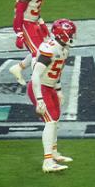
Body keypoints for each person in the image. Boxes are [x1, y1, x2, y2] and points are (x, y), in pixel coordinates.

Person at [28, 18, 77, 172]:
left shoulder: (63, 49)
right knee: (50, 122)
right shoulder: (50, 49)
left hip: (50, 87)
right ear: (62, 35)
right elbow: (35, 75)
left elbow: (56, 72)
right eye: (70, 34)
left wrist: (59, 90)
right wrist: (39, 99)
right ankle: (48, 162)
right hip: (40, 87)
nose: (73, 37)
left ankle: (54, 153)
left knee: (55, 120)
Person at [8, 0, 53, 86]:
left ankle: (18, 68)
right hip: (26, 23)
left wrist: (41, 21)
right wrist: (19, 32)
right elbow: (19, 11)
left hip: (34, 21)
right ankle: (38, 84)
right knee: (40, 54)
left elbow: (33, 7)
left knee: (46, 50)